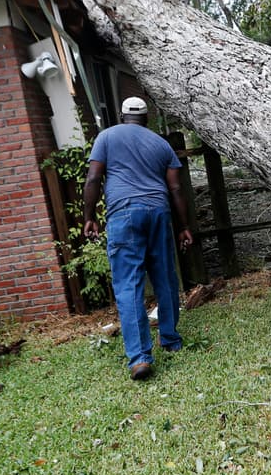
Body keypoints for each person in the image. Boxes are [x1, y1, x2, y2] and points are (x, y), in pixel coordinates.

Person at [83, 96, 194, 380]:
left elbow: (94, 178)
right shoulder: (161, 145)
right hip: (158, 212)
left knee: (128, 284)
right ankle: (170, 339)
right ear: (146, 119)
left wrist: (90, 216)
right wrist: (183, 226)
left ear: (122, 116)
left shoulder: (106, 137)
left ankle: (140, 359)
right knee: (165, 278)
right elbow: (176, 188)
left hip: (124, 214)